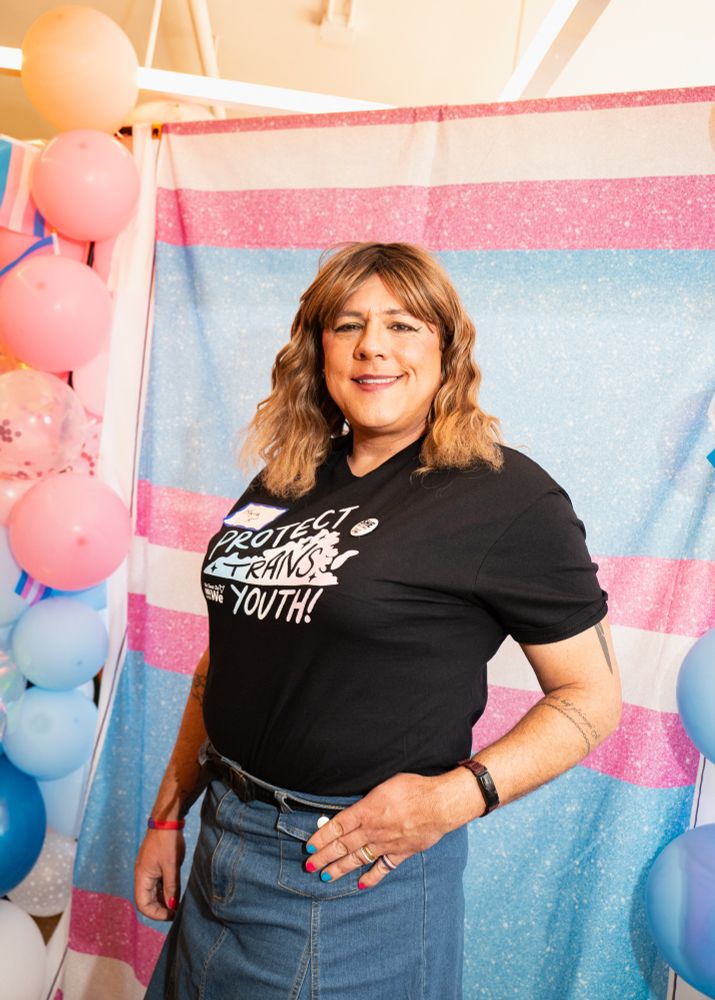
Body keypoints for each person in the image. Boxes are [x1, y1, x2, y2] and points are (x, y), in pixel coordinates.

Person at [136, 242, 622, 999]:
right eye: (348, 325)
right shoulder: (286, 478)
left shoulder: (505, 498)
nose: (372, 347)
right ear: (316, 349)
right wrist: (170, 815)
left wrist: (454, 798)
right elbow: (224, 657)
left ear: (445, 350)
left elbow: (591, 697)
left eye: (402, 325)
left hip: (348, 871)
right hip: (220, 842)